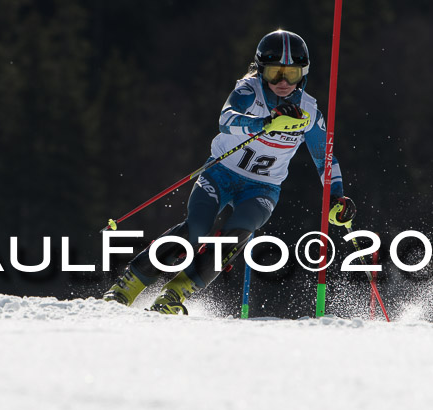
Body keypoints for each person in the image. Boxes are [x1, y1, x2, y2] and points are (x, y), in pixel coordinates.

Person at [103, 29, 356, 314]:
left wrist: (337, 197)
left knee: (237, 234)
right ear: (261, 71)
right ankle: (129, 284)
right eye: (274, 73)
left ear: (303, 74)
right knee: (196, 228)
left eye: (292, 74)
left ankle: (175, 294)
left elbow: (326, 159)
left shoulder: (309, 112)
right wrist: (263, 124)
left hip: (262, 188)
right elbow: (226, 119)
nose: (283, 82)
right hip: (221, 174)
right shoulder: (249, 90)